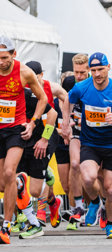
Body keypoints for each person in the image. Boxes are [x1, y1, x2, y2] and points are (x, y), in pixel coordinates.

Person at [61, 52, 112, 238]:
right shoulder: (81, 87)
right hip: (90, 143)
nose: (97, 74)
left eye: (100, 69)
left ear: (108, 68)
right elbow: (68, 99)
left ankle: (111, 225)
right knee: (89, 178)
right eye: (93, 70)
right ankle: (95, 201)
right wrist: (65, 123)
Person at [0, 36, 47, 244]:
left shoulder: (24, 72)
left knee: (9, 171)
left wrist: (33, 122)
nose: (1, 62)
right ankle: (20, 183)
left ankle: (6, 227)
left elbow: (43, 99)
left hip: (15, 129)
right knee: (3, 183)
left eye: (4, 58)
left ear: (14, 54)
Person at [15, 87, 58, 239]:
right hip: (17, 144)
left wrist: (45, 139)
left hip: (37, 145)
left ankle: (51, 195)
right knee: (17, 184)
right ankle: (34, 224)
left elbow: (53, 113)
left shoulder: (29, 95)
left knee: (34, 191)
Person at [61, 54, 90, 229]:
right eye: (76, 72)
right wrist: (66, 123)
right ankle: (77, 208)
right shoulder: (69, 82)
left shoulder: (96, 83)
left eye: (82, 72)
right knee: (75, 165)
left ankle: (98, 204)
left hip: (94, 133)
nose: (78, 76)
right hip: (77, 131)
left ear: (89, 70)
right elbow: (63, 102)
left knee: (96, 175)